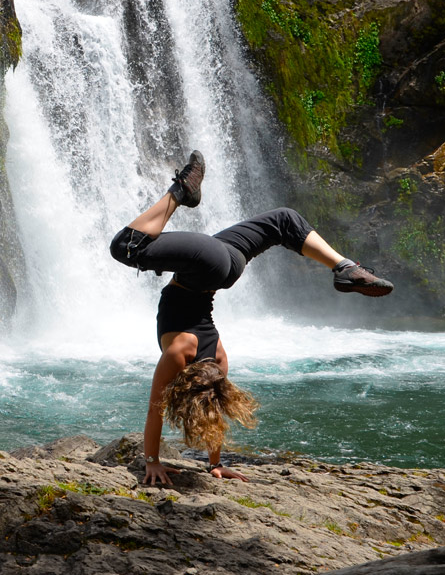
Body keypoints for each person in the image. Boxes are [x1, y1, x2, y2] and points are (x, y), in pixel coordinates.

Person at [109, 150, 393, 486]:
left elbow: (210, 410)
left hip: (228, 267)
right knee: (126, 247)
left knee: (282, 222)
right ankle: (343, 267)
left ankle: (343, 266)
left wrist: (215, 464)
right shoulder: (181, 353)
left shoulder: (217, 358)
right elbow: (156, 410)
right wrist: (153, 462)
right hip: (208, 265)